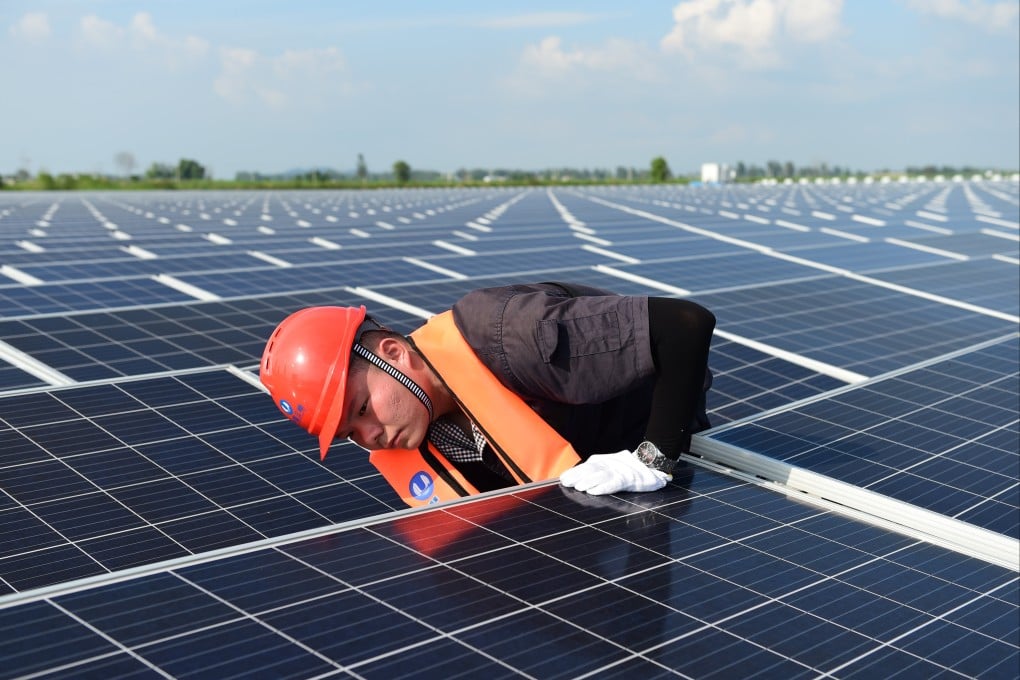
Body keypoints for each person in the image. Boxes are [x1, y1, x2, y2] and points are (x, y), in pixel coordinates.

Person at [260, 281, 715, 507]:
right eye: (349, 433)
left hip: (653, 440)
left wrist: (652, 459)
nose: (369, 435)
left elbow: (685, 327)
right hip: (589, 489)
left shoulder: (513, 334)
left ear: (393, 353)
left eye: (361, 408)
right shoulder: (414, 431)